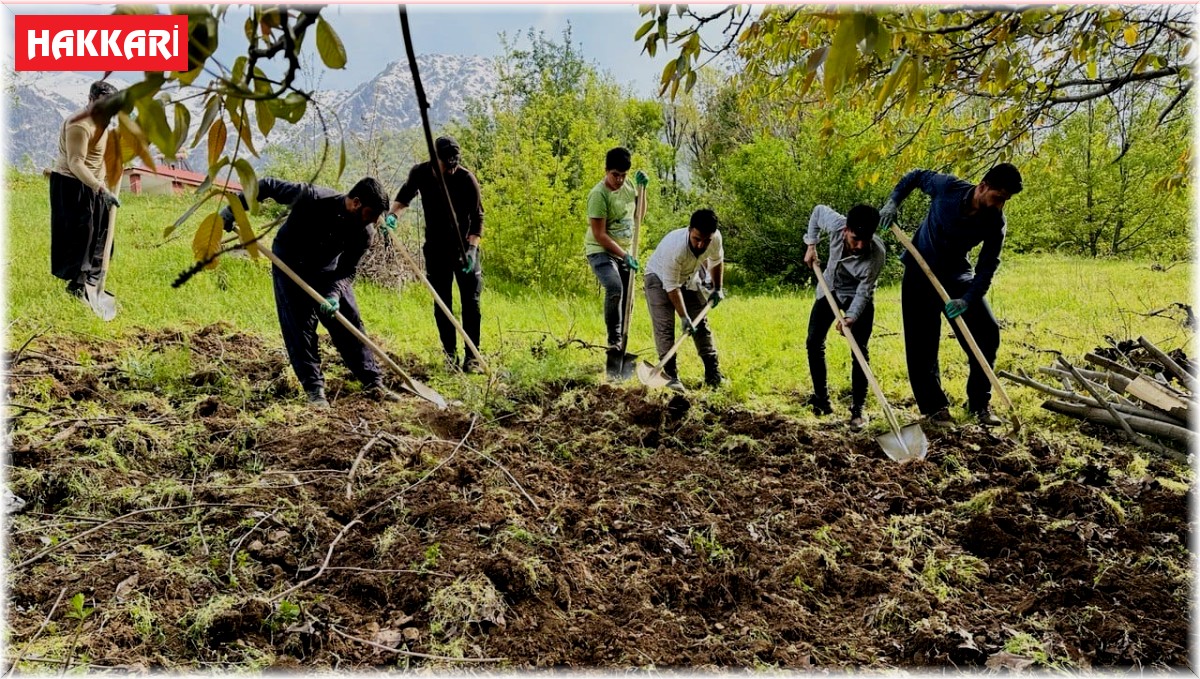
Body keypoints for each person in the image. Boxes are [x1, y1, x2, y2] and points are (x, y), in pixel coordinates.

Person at [221, 177, 400, 407]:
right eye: (371, 214)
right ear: (356, 203)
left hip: (328, 269)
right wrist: (233, 208)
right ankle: (315, 390)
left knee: (348, 320)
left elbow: (347, 270)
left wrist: (334, 294)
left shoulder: (364, 232)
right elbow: (266, 186)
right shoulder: (312, 197)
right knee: (299, 325)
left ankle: (373, 381)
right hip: (290, 262)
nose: (374, 222)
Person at [879, 163, 1023, 427]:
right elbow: (915, 176)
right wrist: (893, 202)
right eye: (999, 197)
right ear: (983, 186)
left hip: (957, 274)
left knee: (987, 332)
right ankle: (935, 409)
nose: (1000, 205)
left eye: (1006, 201)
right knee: (922, 343)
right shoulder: (947, 187)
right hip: (919, 271)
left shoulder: (995, 221)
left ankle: (979, 403)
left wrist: (967, 299)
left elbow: (988, 265)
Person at [386, 136, 485, 373]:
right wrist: (393, 216)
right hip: (435, 249)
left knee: (471, 302)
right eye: (445, 164)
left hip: (464, 250)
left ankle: (472, 358)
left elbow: (478, 218)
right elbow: (404, 197)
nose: (450, 169)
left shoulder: (465, 179)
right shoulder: (420, 173)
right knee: (442, 302)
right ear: (434, 159)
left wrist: (471, 250)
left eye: (453, 164)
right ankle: (450, 357)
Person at [802, 204, 886, 430]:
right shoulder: (836, 224)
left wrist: (851, 316)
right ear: (846, 230)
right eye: (856, 238)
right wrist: (811, 245)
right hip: (829, 287)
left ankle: (858, 410)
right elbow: (817, 211)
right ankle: (821, 400)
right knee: (813, 342)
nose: (860, 245)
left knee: (859, 349)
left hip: (857, 296)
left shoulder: (877, 255)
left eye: (866, 239)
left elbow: (864, 291)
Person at [50, 80, 121, 300]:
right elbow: (76, 162)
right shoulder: (79, 125)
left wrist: (109, 180)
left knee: (101, 235)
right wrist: (99, 187)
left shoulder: (105, 122)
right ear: (90, 100)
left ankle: (92, 284)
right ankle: (77, 287)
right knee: (82, 236)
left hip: (96, 186)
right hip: (73, 184)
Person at [643, 208, 727, 391]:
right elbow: (671, 286)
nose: (700, 245)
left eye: (706, 240)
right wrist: (683, 316)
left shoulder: (715, 239)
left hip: (688, 277)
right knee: (665, 326)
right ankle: (670, 376)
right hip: (658, 278)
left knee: (701, 324)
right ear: (690, 230)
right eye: (697, 239)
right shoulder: (676, 249)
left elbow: (716, 261)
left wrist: (717, 288)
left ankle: (713, 373)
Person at [586, 147, 648, 380]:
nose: (619, 180)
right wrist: (624, 256)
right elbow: (600, 235)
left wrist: (644, 191)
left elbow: (639, 216)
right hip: (601, 252)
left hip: (624, 252)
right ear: (606, 171)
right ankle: (614, 343)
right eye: (615, 174)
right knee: (615, 288)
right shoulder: (598, 195)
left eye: (623, 174)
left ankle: (621, 354)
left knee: (628, 299)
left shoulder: (630, 186)